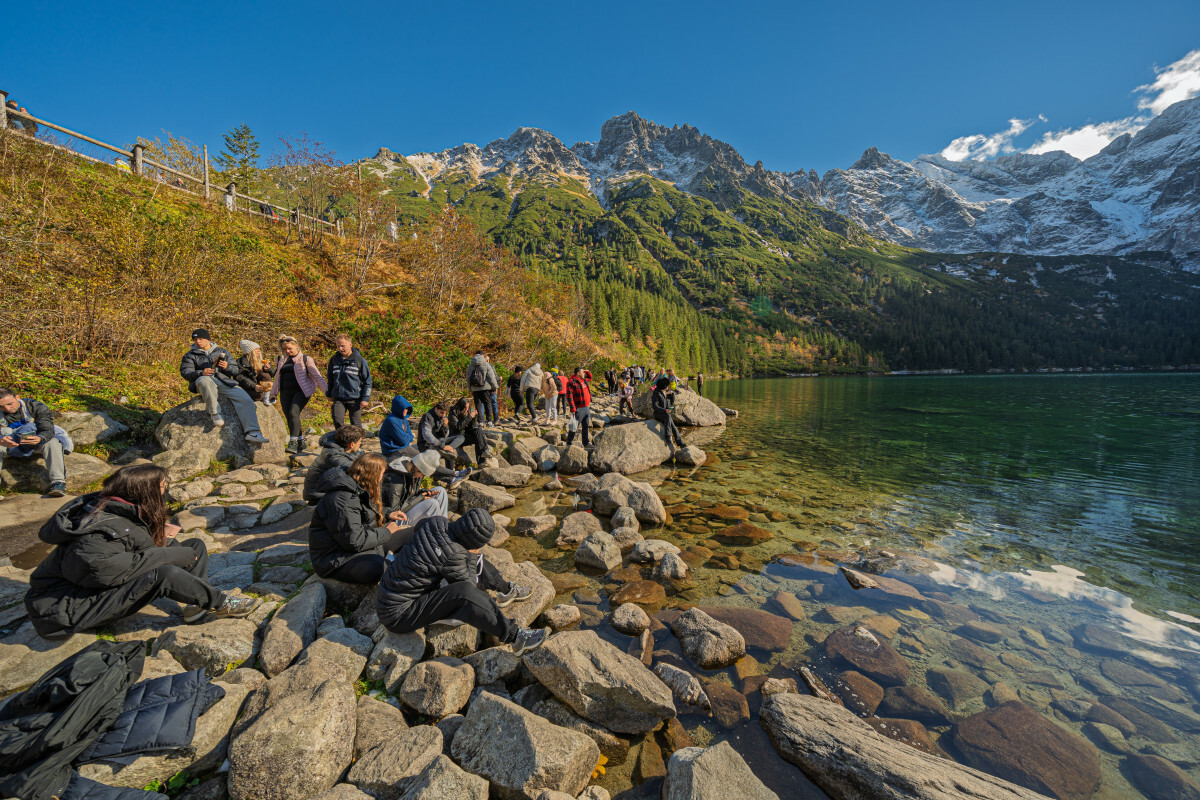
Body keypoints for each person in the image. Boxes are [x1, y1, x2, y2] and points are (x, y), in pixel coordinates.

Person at [23, 464, 260, 639]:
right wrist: (167, 555)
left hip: (91, 586)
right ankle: (220, 602)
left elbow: (129, 543)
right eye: (163, 487)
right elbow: (100, 572)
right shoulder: (97, 528)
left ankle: (196, 605)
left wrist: (157, 536)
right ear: (143, 491)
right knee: (164, 573)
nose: (166, 491)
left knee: (193, 547)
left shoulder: (119, 506)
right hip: (66, 609)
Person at [376, 508, 549, 656]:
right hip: (399, 615)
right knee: (466, 586)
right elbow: (469, 589)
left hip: (393, 593)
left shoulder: (437, 522)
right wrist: (471, 554)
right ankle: (515, 637)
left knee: (472, 559)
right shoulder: (454, 555)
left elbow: (420, 527)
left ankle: (504, 590)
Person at [308, 453, 410, 585]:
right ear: (372, 474)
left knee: (414, 533)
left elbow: (362, 512)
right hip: (336, 559)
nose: (382, 478)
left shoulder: (356, 487)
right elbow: (354, 541)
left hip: (359, 547)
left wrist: (387, 514)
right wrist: (387, 531)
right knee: (379, 567)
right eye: (382, 473)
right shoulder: (342, 499)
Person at [180, 329, 269, 444]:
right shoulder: (190, 355)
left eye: (200, 339)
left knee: (245, 398)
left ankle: (252, 432)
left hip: (223, 381)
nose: (198, 341)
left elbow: (236, 371)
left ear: (208, 339)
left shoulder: (222, 351)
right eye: (195, 339)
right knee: (204, 380)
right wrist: (200, 372)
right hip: (203, 381)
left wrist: (227, 367)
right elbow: (185, 372)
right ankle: (215, 413)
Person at [0, 388, 70, 498]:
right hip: (12, 445)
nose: (7, 409)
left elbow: (48, 430)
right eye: (2, 407)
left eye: (10, 404)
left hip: (38, 441)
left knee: (53, 442)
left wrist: (40, 438)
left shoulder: (36, 406)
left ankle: (58, 483)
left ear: (17, 397)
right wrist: (1, 439)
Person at [268, 335, 327, 454]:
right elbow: (277, 378)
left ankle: (293, 442)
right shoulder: (280, 359)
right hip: (285, 392)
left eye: (289, 348)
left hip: (302, 391)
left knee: (293, 412)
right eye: (284, 349)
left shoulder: (306, 359)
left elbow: (317, 377)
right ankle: (301, 442)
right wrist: (273, 393)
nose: (287, 351)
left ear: (296, 345)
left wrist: (327, 392)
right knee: (289, 416)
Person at [381, 449, 450, 530]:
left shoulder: (413, 471)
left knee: (440, 491)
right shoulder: (395, 479)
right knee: (432, 504)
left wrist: (425, 492)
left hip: (407, 509)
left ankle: (443, 528)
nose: (422, 477)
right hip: (394, 520)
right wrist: (421, 498)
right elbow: (395, 511)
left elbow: (412, 493)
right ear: (417, 466)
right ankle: (436, 532)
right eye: (422, 474)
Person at [303, 424, 364, 505]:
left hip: (326, 490)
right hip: (319, 496)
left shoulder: (340, 445)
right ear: (351, 444)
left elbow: (359, 457)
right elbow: (355, 470)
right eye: (360, 442)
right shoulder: (333, 457)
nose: (360, 444)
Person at [417, 402, 471, 486]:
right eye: (442, 412)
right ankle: (455, 474)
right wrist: (442, 446)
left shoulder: (442, 417)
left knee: (452, 451)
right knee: (431, 463)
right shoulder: (427, 417)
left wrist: (445, 427)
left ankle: (452, 480)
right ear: (436, 409)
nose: (443, 415)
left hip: (439, 442)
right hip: (426, 444)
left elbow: (445, 435)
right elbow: (427, 435)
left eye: (445, 413)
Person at [326, 334, 373, 430]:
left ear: (350, 345)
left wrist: (365, 398)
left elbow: (367, 381)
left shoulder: (360, 361)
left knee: (355, 425)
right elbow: (330, 378)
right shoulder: (334, 360)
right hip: (338, 398)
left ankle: (358, 444)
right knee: (337, 420)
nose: (340, 348)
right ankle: (343, 443)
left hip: (355, 398)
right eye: (338, 346)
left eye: (342, 346)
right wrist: (328, 393)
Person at [449, 397, 493, 465]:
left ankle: (484, 451)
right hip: (458, 437)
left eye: (468, 407)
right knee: (477, 438)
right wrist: (469, 417)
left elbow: (472, 426)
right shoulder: (453, 413)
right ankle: (481, 461)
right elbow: (458, 427)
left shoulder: (468, 410)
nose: (467, 409)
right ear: (460, 407)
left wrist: (474, 417)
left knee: (478, 431)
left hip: (466, 433)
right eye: (465, 407)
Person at [651, 377, 686, 450]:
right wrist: (664, 410)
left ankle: (680, 442)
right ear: (663, 386)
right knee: (668, 417)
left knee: (672, 424)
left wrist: (671, 395)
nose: (668, 387)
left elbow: (671, 403)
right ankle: (669, 436)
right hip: (658, 414)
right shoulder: (656, 393)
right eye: (667, 386)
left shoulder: (666, 392)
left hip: (665, 414)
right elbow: (655, 406)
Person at [466, 351, 499, 427]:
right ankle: (489, 421)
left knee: (478, 405)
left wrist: (470, 389)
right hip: (485, 388)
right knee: (488, 403)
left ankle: (480, 422)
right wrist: (495, 387)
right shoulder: (486, 365)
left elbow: (468, 378)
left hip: (475, 388)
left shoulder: (471, 366)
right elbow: (491, 377)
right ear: (483, 356)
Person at [380, 394, 417, 459]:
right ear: (397, 408)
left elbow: (410, 435)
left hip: (403, 447)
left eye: (406, 408)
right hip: (393, 451)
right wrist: (408, 438)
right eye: (403, 408)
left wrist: (408, 437)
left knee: (422, 453)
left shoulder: (404, 418)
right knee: (421, 459)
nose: (405, 410)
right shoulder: (391, 420)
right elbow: (404, 440)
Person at [564, 367, 593, 449]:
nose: (583, 373)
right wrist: (572, 408)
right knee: (574, 426)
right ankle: (569, 443)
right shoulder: (571, 382)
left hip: (586, 407)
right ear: (578, 373)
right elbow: (569, 396)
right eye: (582, 372)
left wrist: (587, 371)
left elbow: (590, 377)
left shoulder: (584, 380)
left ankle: (586, 442)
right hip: (579, 408)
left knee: (586, 426)